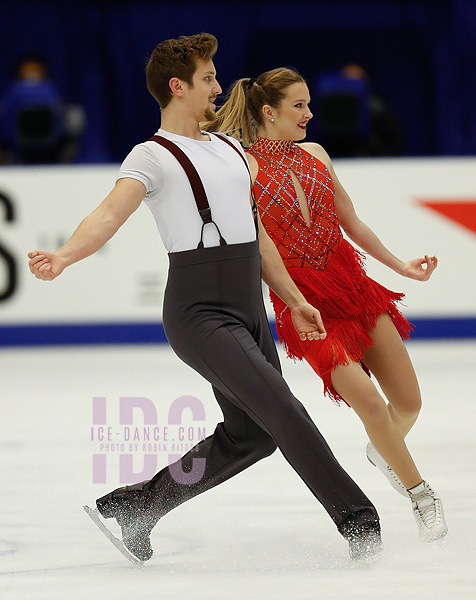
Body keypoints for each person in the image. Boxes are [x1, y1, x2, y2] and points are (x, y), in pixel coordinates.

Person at [28, 34, 383, 563]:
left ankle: (138, 506)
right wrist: (64, 256)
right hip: (200, 312)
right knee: (283, 409)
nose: (219, 86)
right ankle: (359, 521)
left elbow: (256, 235)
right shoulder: (152, 155)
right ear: (178, 87)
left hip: (248, 303)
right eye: (209, 78)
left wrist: (292, 296)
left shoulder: (230, 149)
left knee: (254, 434)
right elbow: (107, 215)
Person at [204, 67, 447, 543]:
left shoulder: (316, 153)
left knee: (409, 403)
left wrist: (401, 267)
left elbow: (351, 222)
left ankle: (385, 451)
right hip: (306, 310)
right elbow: (250, 247)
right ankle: (422, 495)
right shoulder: (243, 168)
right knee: (372, 407)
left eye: (309, 104)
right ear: (268, 112)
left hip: (356, 291)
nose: (310, 114)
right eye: (299, 106)